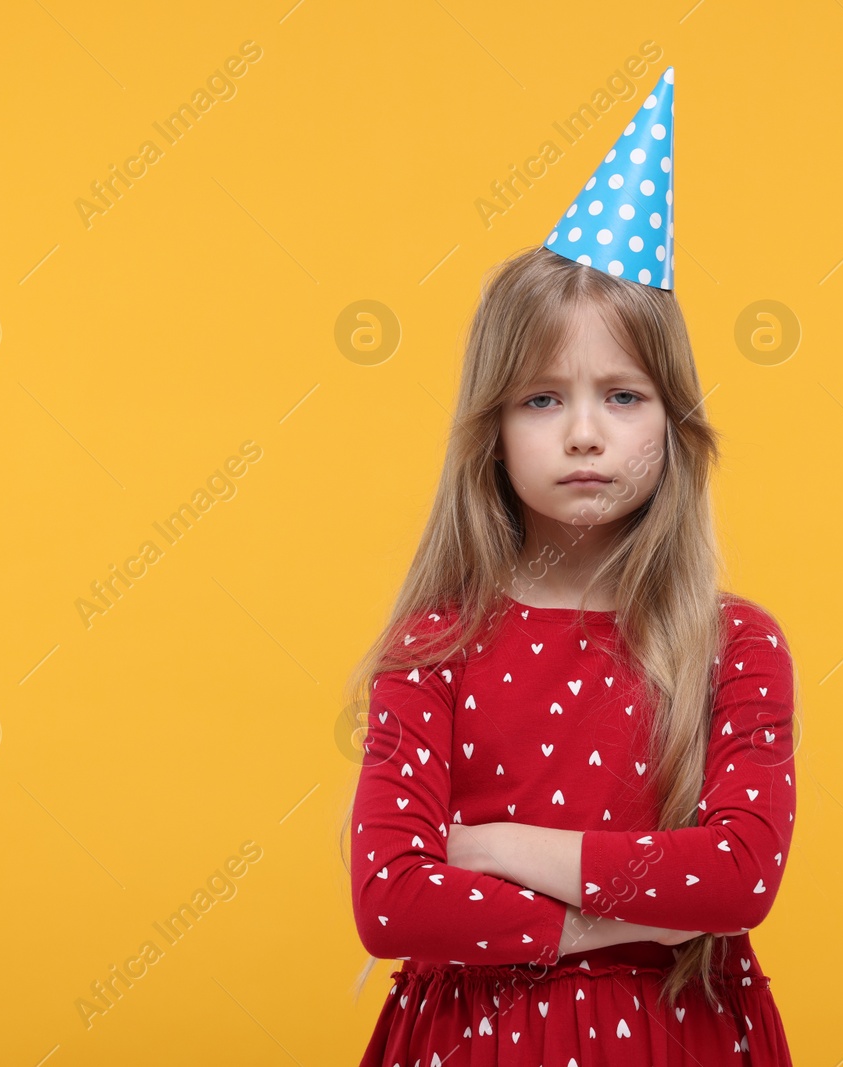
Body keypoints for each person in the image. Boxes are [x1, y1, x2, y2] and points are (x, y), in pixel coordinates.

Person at [341, 66, 799, 1064]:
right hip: (477, 1040)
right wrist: (623, 917)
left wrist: (497, 847)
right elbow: (390, 897)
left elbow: (734, 878)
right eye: (543, 399)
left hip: (678, 1038)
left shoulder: (735, 644)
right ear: (492, 431)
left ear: (674, 423)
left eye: (623, 396)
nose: (585, 433)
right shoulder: (435, 646)